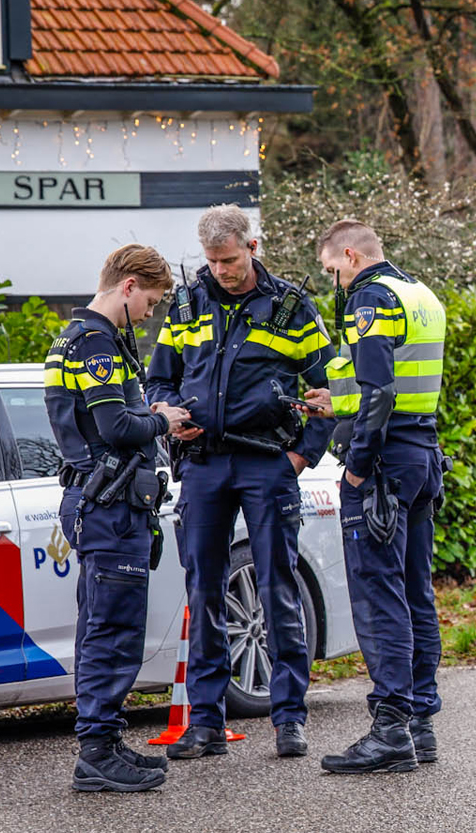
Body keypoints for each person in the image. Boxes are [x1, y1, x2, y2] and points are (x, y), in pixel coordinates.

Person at [145, 205, 334, 760]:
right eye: (212, 261)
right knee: (204, 589)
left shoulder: (292, 308)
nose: (222, 270)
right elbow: (161, 377)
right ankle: (204, 724)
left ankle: (289, 719)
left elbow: (330, 389)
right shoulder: (186, 302)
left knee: (278, 587)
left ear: (252, 248)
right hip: (203, 464)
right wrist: (170, 413)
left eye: (229, 260)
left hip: (266, 464)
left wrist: (302, 456)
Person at [45, 245, 193, 791]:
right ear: (128, 286)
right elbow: (114, 428)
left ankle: (105, 741)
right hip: (109, 506)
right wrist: (162, 420)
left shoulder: (72, 338)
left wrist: (147, 417)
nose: (149, 314)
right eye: (149, 302)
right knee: (113, 631)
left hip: (100, 501)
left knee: (104, 628)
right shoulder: (97, 342)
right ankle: (97, 754)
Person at [309, 219, 448, 773]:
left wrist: (358, 469)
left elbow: (381, 390)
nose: (332, 281)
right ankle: (420, 724)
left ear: (349, 255)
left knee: (378, 594)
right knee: (417, 590)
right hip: (421, 455)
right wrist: (335, 403)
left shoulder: (371, 297)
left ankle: (389, 728)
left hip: (384, 465)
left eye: (330, 269)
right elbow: (399, 387)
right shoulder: (419, 294)